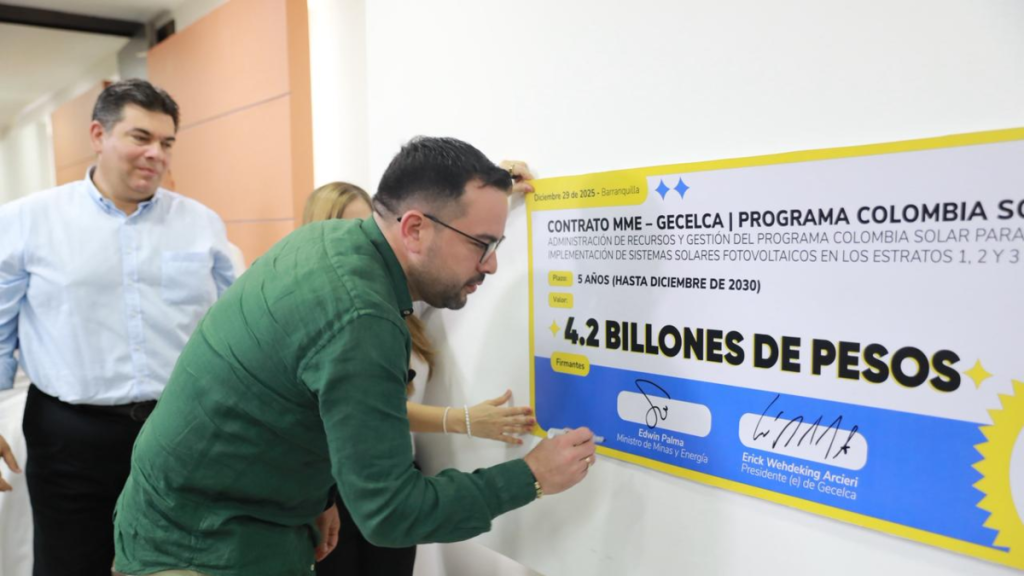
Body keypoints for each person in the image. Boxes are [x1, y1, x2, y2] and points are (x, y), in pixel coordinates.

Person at [113, 136, 596, 576]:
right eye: (482, 244)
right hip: (205, 547)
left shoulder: (325, 242)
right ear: (414, 229)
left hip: (205, 518)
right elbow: (392, 513)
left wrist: (318, 495)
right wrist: (531, 476)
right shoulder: (361, 318)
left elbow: (286, 396)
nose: (490, 264)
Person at [0, 79, 235, 576]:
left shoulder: (202, 225)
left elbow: (236, 330)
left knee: (179, 566)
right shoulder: (27, 221)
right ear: (98, 135)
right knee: (70, 564)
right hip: (69, 437)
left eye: (166, 142)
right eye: (140, 137)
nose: (156, 154)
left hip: (179, 430)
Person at [302, 181, 536, 576]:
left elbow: (443, 259)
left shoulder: (399, 297)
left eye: (367, 228)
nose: (364, 244)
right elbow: (367, 406)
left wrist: (495, 193)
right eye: (347, 230)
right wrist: (461, 420)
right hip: (335, 482)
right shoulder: (334, 314)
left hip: (396, 474)